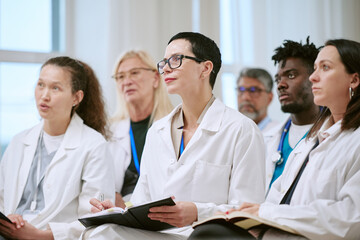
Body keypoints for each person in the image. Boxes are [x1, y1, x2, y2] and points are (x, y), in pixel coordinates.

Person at [84, 32, 266, 239]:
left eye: (176, 59)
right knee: (99, 232)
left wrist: (198, 212)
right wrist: (117, 211)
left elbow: (250, 212)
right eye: (164, 62)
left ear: (205, 68)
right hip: (162, 234)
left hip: (205, 234)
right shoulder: (157, 132)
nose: (166, 68)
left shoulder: (241, 129)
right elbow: (142, 201)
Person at [189, 38, 360, 239]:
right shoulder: (310, 143)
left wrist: (266, 214)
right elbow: (274, 199)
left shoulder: (353, 140)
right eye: (314, 69)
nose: (314, 77)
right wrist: (248, 216)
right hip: (275, 233)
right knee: (208, 231)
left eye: (325, 67)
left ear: (354, 80)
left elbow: (351, 218)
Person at [0, 56, 114, 240]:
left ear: (76, 97)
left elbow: (96, 219)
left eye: (55, 88)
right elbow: (2, 199)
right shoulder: (19, 142)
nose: (44, 95)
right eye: (40, 85)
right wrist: (7, 220)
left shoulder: (94, 145)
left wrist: (39, 236)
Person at [108, 50, 173, 208]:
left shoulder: (174, 125)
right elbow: (101, 186)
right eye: (120, 77)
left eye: (134, 73)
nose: (127, 82)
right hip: (121, 216)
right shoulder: (109, 131)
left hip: (163, 213)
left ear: (156, 79)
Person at [265, 38, 320, 191]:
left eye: (290, 75)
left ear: (315, 79)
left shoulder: (331, 136)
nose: (281, 85)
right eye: (278, 79)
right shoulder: (269, 139)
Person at [236, 67, 278, 134]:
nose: (245, 97)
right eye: (241, 90)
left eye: (253, 90)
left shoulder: (279, 134)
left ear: (269, 98)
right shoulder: (230, 132)